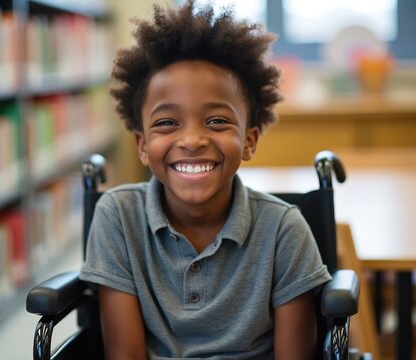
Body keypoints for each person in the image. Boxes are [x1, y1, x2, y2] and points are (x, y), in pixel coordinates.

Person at [80, 1, 331, 359]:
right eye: (167, 123)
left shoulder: (284, 230)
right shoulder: (117, 217)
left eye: (216, 121)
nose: (192, 140)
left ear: (249, 141)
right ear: (142, 145)